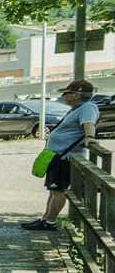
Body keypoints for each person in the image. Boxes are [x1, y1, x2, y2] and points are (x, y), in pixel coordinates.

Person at [23, 79, 99, 231]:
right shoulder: (77, 108)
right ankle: (45, 219)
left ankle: (50, 221)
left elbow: (89, 124)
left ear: (77, 94)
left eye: (67, 93)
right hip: (57, 155)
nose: (64, 96)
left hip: (65, 157)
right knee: (53, 190)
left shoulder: (87, 108)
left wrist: (90, 138)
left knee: (58, 191)